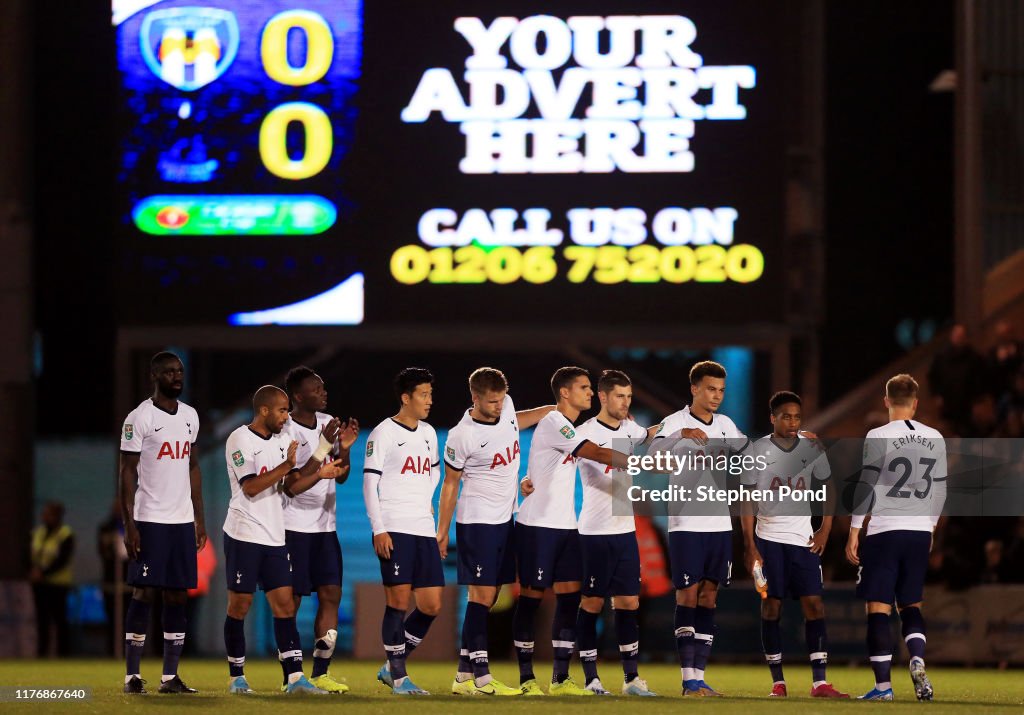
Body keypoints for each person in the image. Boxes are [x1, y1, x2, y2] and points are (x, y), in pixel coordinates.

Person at [513, 366, 631, 696]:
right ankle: (526, 679)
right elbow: (593, 452)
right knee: (532, 600)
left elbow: (543, 465)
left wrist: (527, 477)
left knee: (568, 600)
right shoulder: (554, 422)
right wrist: (638, 462)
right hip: (538, 526)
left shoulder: (567, 427)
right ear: (565, 392)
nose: (591, 393)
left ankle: (560, 678)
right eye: (584, 387)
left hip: (566, 526)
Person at [436, 367, 553, 696]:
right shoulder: (462, 435)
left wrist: (552, 411)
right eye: (491, 402)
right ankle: (484, 678)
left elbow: (518, 419)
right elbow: (450, 484)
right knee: (482, 597)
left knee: (485, 600)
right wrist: (442, 532)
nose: (498, 406)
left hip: (505, 520)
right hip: (478, 521)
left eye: (501, 400)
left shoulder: (507, 405)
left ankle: (462, 677)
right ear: (474, 398)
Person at [222, 385, 343, 695]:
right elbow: (250, 487)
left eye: (287, 410)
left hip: (275, 537)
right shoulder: (240, 439)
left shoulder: (282, 442)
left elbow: (291, 487)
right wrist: (287, 466)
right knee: (240, 605)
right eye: (281, 410)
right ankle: (237, 676)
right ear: (264, 410)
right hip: (244, 533)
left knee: (285, 606)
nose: (286, 416)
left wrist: (321, 465)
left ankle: (294, 679)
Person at [845, 374, 947, 701]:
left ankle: (883, 687)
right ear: (916, 404)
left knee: (879, 607)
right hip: (918, 532)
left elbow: (866, 486)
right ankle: (916, 657)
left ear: (886, 400)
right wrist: (930, 528)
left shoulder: (878, 435)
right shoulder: (936, 438)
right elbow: (941, 491)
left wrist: (854, 530)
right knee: (911, 603)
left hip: (886, 531)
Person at [650, 360, 749, 697]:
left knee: (710, 595)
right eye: (710, 388)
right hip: (686, 524)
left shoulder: (725, 424)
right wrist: (681, 435)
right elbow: (650, 455)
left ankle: (699, 677)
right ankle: (687, 679)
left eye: (721, 390)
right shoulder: (674, 422)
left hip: (720, 524)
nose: (716, 395)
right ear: (694, 389)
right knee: (688, 594)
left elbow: (748, 454)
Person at [740, 391, 847, 698]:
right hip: (769, 540)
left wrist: (825, 528)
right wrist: (749, 545)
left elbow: (828, 487)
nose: (792, 421)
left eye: (797, 416)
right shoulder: (757, 451)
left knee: (814, 605)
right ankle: (778, 681)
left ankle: (819, 682)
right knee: (771, 607)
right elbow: (746, 499)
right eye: (785, 416)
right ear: (772, 418)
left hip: (803, 541)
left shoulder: (812, 448)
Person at [119, 352, 204, 694]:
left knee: (178, 595)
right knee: (144, 591)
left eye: (179, 371)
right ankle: (132, 675)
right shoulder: (139, 418)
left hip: (182, 521)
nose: (176, 376)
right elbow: (126, 471)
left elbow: (193, 467)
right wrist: (130, 524)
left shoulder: (190, 417)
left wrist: (200, 518)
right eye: (169, 371)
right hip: (150, 519)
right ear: (154, 376)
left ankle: (170, 677)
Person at [573, 370, 658, 696]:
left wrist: (677, 428)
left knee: (628, 602)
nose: (625, 402)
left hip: (625, 530)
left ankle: (631, 679)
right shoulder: (585, 432)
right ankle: (591, 678)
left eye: (629, 397)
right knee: (592, 604)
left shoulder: (630, 429)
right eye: (620, 396)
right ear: (604, 397)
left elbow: (649, 433)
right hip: (595, 531)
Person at [364, 368, 443, 695]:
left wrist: (428, 505)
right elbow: (370, 483)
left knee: (431, 605)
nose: (429, 400)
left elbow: (435, 473)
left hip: (423, 530)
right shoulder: (383, 433)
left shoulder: (428, 433)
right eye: (423, 394)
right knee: (397, 601)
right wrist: (379, 529)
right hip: (394, 528)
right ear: (405, 398)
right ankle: (399, 677)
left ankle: (391, 664)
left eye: (430, 394)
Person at [281, 366, 360, 693]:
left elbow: (340, 476)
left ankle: (321, 673)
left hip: (325, 528)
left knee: (331, 595)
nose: (324, 393)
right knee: (292, 600)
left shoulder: (328, 424)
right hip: (292, 527)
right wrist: (324, 447)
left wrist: (346, 447)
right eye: (316, 389)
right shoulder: (285, 429)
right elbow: (292, 485)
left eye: (324, 387)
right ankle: (291, 676)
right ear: (298, 396)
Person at [30, 501, 74, 657]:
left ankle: (64, 655)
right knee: (42, 620)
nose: (44, 516)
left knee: (60, 620)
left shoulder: (65, 534)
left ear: (56, 516)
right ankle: (42, 653)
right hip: (39, 584)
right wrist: (33, 571)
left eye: (48, 513)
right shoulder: (38, 532)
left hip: (58, 585)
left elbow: (62, 559)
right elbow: (28, 554)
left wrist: (43, 572)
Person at [97, 499, 128, 655]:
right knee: (112, 620)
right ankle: (112, 651)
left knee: (131, 621)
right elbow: (103, 551)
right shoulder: (106, 528)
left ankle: (133, 651)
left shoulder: (135, 527)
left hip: (130, 583)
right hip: (111, 582)